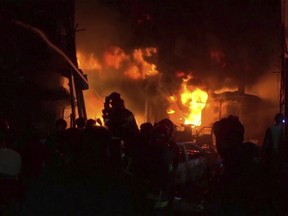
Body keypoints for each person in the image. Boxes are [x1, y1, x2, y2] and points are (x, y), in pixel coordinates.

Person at [261, 113, 286, 215]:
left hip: (271, 159)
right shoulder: (284, 131)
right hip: (281, 160)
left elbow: (266, 146)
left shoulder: (270, 130)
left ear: (274, 120)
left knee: (272, 181)